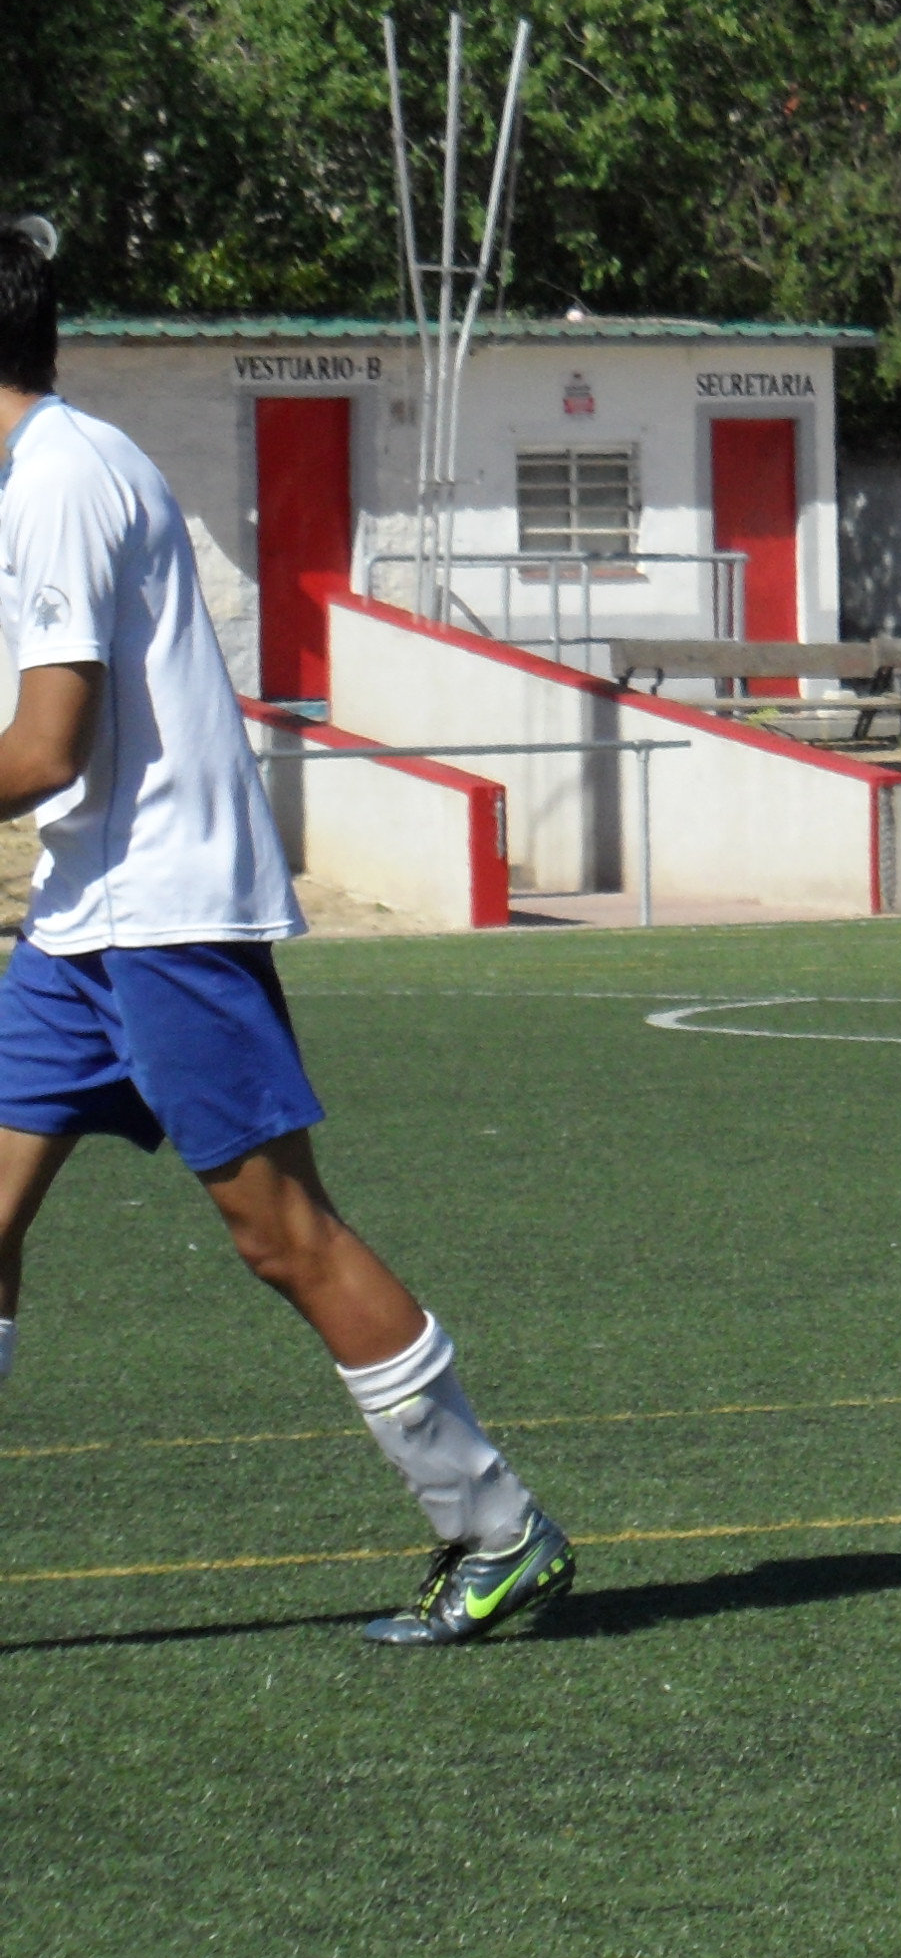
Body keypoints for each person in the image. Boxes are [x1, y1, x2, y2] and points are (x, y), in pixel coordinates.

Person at [0, 212, 570, 1645]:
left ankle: (497, 1528)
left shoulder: (60, 478)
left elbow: (48, 745)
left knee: (283, 1235)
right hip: (82, 917)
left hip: (166, 916)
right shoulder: (37, 474)